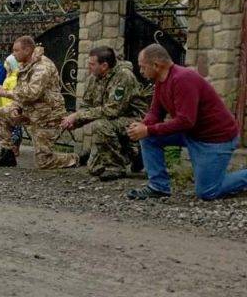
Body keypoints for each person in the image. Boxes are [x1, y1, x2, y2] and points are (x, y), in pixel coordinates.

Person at [125, 44, 247, 201]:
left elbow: (186, 121)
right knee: (148, 136)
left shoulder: (182, 79)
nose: (141, 71)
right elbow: (156, 111)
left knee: (208, 192)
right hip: (192, 133)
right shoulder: (161, 81)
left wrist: (149, 129)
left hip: (214, 139)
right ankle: (158, 187)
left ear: (156, 65)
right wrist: (143, 126)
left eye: (143, 67)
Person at [0, 36, 77, 170]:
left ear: (27, 50)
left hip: (47, 116)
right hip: (30, 110)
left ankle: (76, 158)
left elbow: (32, 93)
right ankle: (7, 155)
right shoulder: (25, 64)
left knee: (44, 162)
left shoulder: (42, 67)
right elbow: (21, 90)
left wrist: (5, 93)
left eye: (16, 50)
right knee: (0, 115)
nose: (13, 54)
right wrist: (17, 106)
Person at [59, 46, 148, 181]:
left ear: (104, 65)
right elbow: (87, 106)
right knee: (94, 169)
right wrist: (75, 122)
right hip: (112, 120)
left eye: (92, 64)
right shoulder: (93, 78)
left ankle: (116, 168)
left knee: (101, 125)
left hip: (135, 120)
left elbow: (113, 110)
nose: (89, 67)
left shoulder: (124, 76)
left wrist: (77, 116)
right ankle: (133, 153)